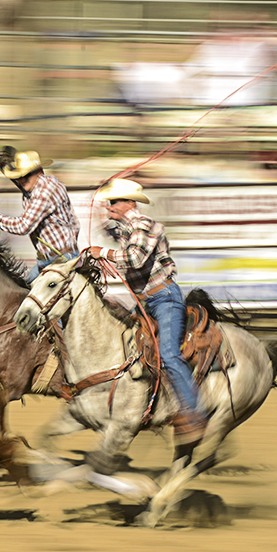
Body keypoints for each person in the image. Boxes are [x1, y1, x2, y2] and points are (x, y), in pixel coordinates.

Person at [87, 177, 207, 444]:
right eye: (110, 202)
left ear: (130, 202)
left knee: (168, 356)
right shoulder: (129, 228)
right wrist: (99, 207)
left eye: (114, 201)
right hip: (146, 301)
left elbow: (135, 258)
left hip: (164, 298)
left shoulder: (146, 226)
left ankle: (194, 411)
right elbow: (112, 230)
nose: (110, 206)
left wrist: (102, 252)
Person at [0, 148, 80, 282]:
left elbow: (23, 226)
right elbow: (74, 222)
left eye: (27, 175)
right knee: (23, 291)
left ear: (38, 172)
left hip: (61, 260)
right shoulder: (38, 186)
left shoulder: (44, 192)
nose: (22, 179)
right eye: (20, 175)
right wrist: (5, 166)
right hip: (48, 260)